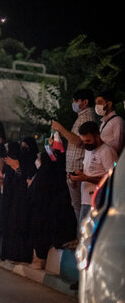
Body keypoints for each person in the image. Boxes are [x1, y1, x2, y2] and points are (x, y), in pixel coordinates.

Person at [51, 88, 96, 220]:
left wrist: (60, 128)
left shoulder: (87, 118)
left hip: (79, 169)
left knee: (81, 208)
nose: (73, 103)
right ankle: (80, 236)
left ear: (85, 102)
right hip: (74, 169)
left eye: (76, 101)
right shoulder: (81, 117)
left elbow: (77, 141)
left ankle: (83, 237)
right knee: (77, 207)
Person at [70, 121, 118, 223]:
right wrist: (79, 174)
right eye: (83, 141)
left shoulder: (107, 151)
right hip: (86, 200)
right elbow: (92, 170)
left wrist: (86, 178)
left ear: (97, 136)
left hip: (100, 201)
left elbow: (113, 179)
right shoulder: (88, 150)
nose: (86, 144)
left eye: (88, 140)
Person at [95, 91, 124, 156]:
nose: (97, 106)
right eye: (96, 103)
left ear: (109, 104)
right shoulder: (103, 122)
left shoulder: (117, 121)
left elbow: (118, 146)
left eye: (99, 103)